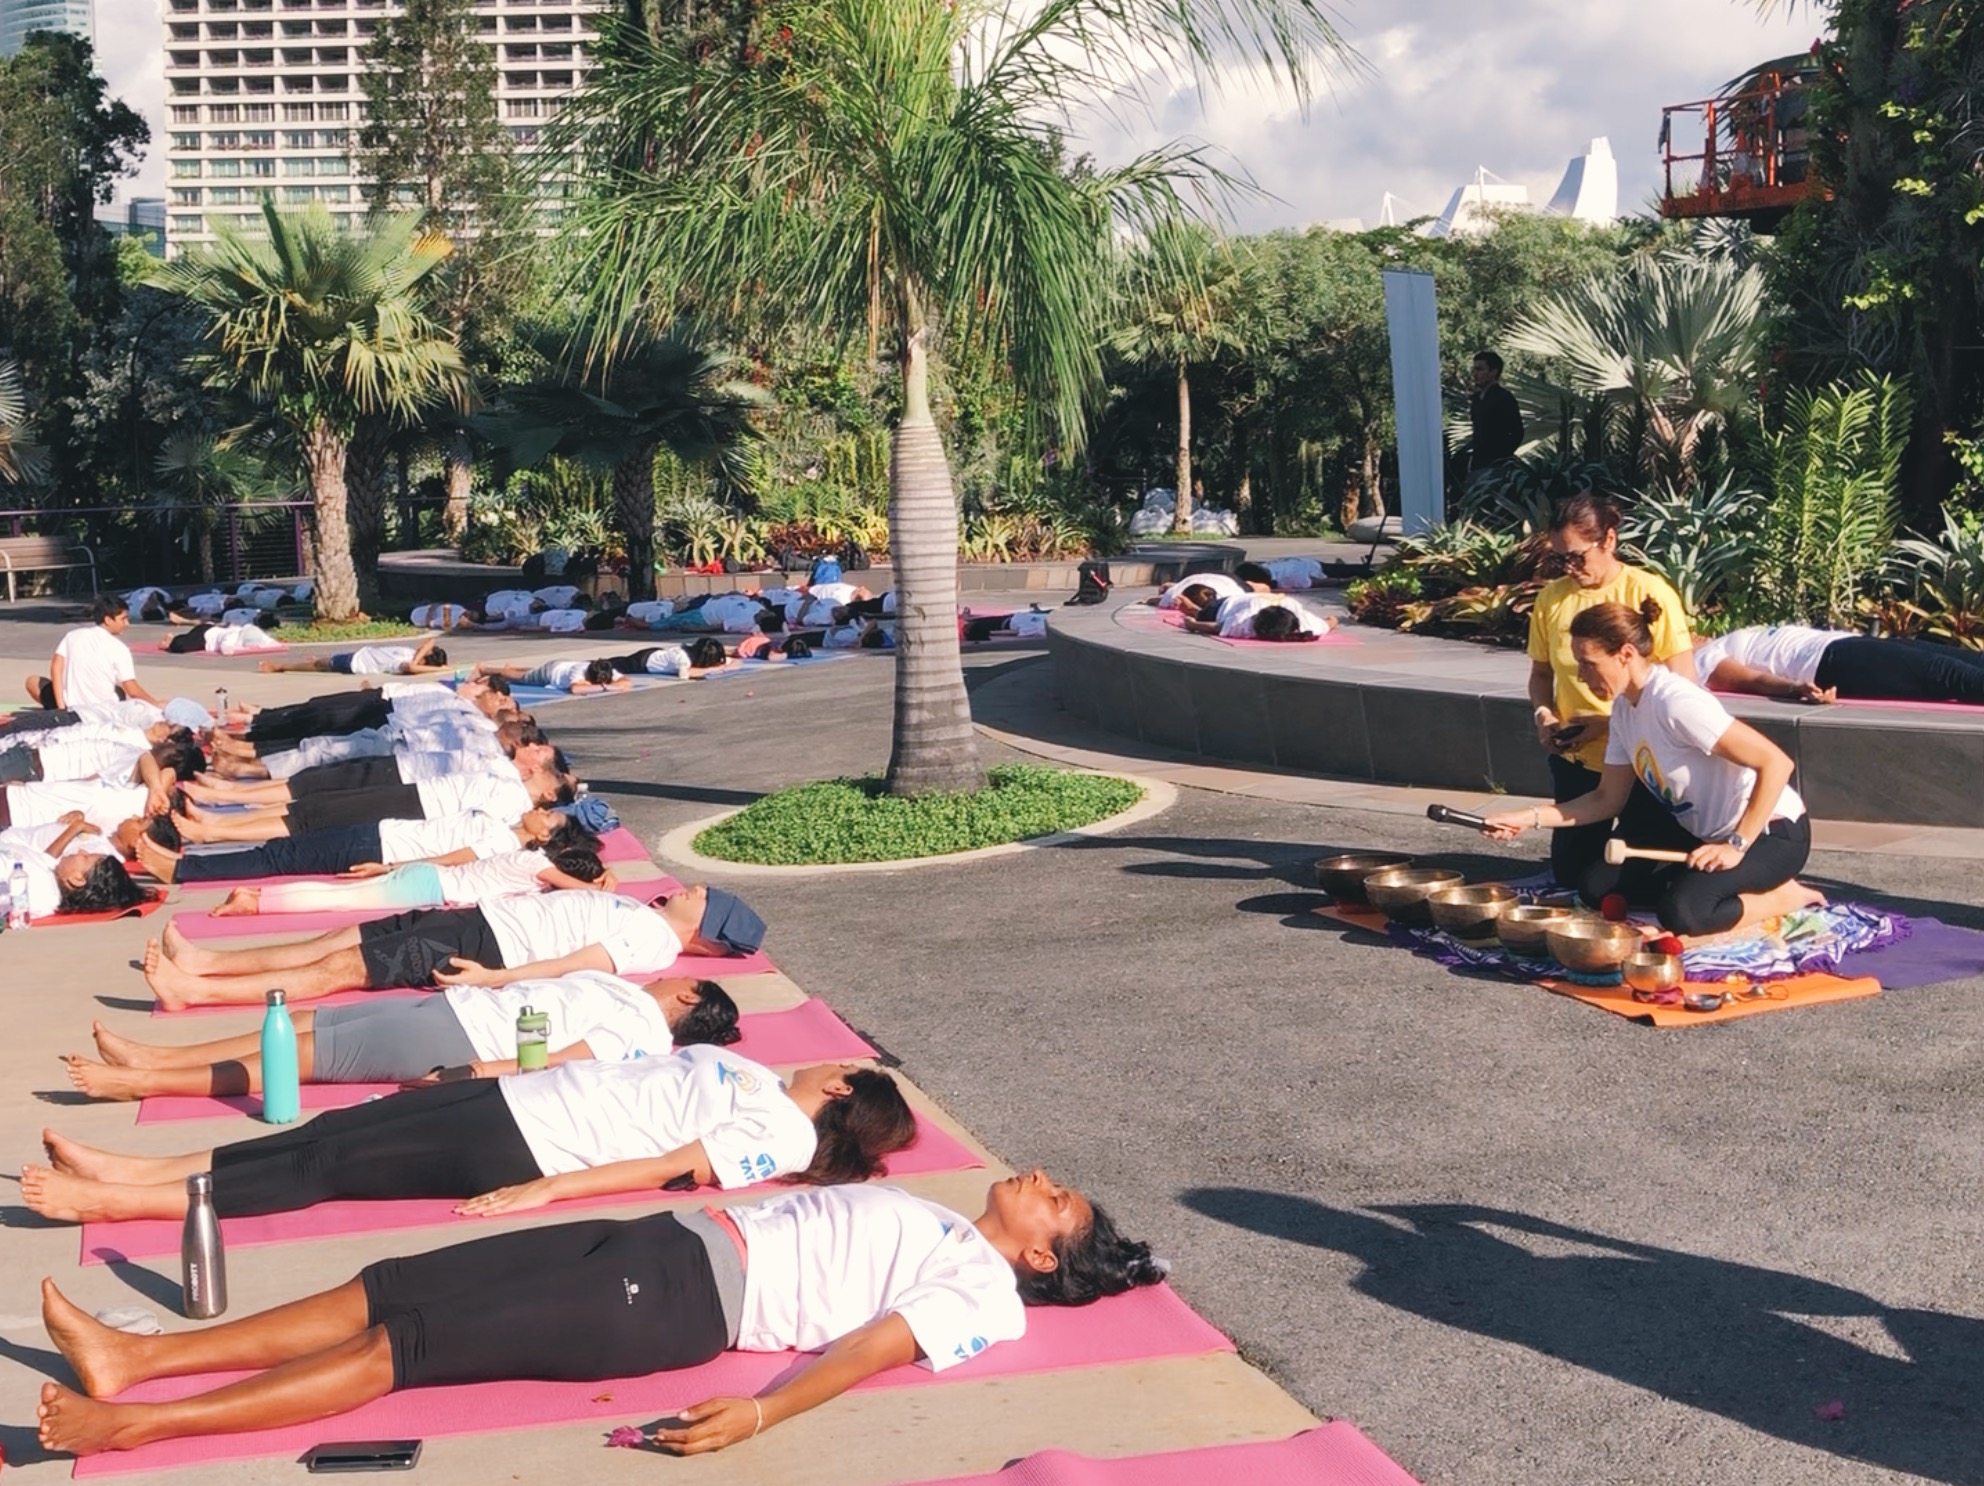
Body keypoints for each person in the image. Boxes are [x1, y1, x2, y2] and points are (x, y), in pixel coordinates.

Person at [31, 1170, 1161, 1459]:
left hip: (677, 1300)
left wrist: (764, 1416)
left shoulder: (983, 1294)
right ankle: (138, 1355)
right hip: (661, 1242)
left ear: (1043, 1249)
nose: (1040, 1177)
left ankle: (138, 1426)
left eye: (1054, 1198)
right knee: (391, 1284)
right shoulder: (942, 1216)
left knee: (404, 1349)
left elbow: (874, 1344)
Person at [24, 1046, 915, 1226]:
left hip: (529, 1147)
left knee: (329, 1165)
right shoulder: (760, 1082)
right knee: (333, 1129)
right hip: (522, 1101)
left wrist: (549, 1189)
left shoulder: (781, 1134)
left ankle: (121, 1203)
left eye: (832, 1066)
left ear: (838, 1088)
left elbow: (671, 1166)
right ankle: (143, 1168)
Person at [1484, 600, 1820, 937]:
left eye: (1588, 664)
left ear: (1625, 654)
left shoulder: (1677, 702)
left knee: (1685, 914)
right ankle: (1716, 885)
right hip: (1703, 833)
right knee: (1596, 888)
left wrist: (1735, 846)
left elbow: (1776, 763)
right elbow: (1605, 800)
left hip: (1771, 833)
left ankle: (1785, 895)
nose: (1581, 676)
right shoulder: (1624, 709)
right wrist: (1525, 818)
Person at [62, 971, 740, 1101]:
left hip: (459, 1038)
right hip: (460, 1009)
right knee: (296, 1027)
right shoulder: (629, 997)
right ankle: (156, 1056)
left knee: (297, 1058)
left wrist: (471, 1073)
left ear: (689, 997)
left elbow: (555, 1059)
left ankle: (144, 1082)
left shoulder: (640, 1027)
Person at [141, 882, 765, 1009]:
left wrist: (496, 980)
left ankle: (192, 992)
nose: (693, 886)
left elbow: (582, 965)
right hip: (479, 917)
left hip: (488, 943)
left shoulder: (654, 942)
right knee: (337, 939)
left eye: (704, 895)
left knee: (340, 968)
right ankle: (207, 962)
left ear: (707, 932)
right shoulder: (647, 913)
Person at [1527, 492, 1698, 888]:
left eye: (1576, 556)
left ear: (1608, 540)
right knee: (1571, 876)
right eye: (1558, 559)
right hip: (1580, 758)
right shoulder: (1551, 599)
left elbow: (1684, 685)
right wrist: (1545, 715)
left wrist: (1605, 724)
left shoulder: (1648, 592)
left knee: (1626, 880)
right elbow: (1540, 674)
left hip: (1644, 761)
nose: (1569, 568)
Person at [134, 807, 591, 887]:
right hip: (378, 832)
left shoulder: (500, 840)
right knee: (279, 848)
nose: (541, 811)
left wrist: (388, 867)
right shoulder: (502, 823)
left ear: (543, 837)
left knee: (275, 858)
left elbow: (450, 861)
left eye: (549, 817)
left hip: (377, 845)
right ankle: (185, 860)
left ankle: (181, 871)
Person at [1695, 624, 1984, 706]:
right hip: (1828, 664)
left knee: (1965, 660)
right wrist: (1796, 688)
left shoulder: (1710, 643)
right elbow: (1749, 680)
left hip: (1842, 645)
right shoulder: (1698, 660)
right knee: (1947, 674)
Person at [23, 597, 161, 713]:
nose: (127, 623)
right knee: (119, 691)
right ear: (108, 620)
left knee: (33, 681)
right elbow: (132, 689)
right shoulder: (119, 648)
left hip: (71, 708)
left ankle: (56, 708)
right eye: (123, 619)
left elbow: (56, 667)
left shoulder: (73, 636)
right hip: (103, 712)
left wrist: (61, 706)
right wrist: (155, 704)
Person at [0, 815, 150, 920]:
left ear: (77, 879)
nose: (81, 851)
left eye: (85, 857)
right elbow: (49, 857)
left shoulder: (42, 894)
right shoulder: (51, 870)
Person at [258, 636, 451, 677]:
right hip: (361, 654)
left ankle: (281, 666)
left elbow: (411, 668)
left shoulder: (406, 663)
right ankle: (304, 663)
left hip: (356, 663)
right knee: (322, 661)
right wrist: (422, 656)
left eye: (426, 654)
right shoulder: (415, 656)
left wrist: (433, 667)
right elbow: (431, 641)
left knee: (320, 664)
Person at [1184, 593, 1335, 641]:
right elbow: (1216, 626)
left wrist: (1192, 626)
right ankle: (1192, 608)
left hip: (1265, 597)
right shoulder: (1245, 619)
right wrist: (1193, 624)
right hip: (1230, 603)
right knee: (1202, 614)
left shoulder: (1306, 622)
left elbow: (1331, 621)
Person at [1468, 350, 1524, 473]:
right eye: (1474, 370)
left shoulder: (1503, 398)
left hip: (1497, 465)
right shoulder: (1477, 399)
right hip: (1477, 461)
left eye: (1480, 370)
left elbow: (1517, 432)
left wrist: (1502, 457)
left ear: (1494, 372)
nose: (1475, 374)